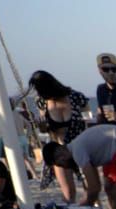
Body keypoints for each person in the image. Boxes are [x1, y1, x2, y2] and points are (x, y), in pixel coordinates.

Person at [24, 71, 89, 201]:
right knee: (68, 192)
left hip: (80, 147)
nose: (38, 93)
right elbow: (45, 127)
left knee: (90, 188)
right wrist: (42, 126)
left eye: (40, 89)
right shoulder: (42, 102)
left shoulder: (76, 97)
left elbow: (88, 120)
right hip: (58, 150)